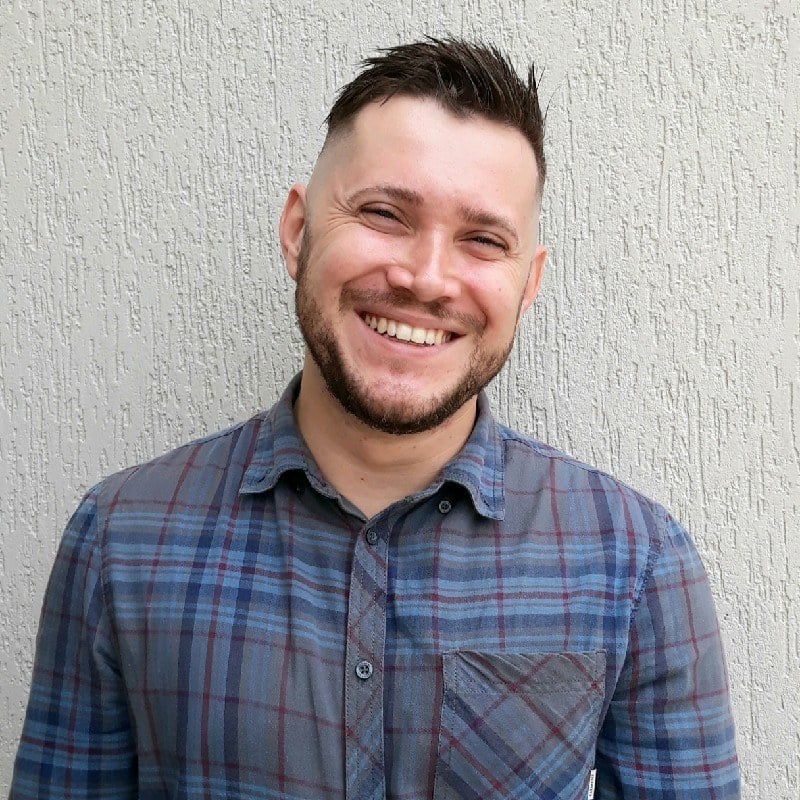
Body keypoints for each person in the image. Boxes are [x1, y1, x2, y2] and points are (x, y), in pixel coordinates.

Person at [10, 38, 739, 800]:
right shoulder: (121, 541)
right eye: (385, 213)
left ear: (528, 283)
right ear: (298, 231)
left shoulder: (634, 564)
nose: (425, 278)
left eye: (483, 240)